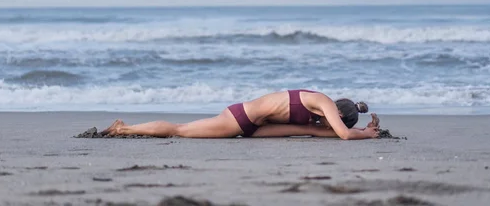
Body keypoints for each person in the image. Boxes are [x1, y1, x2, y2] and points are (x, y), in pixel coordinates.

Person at [101, 89, 381, 140]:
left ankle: (125, 128)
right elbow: (343, 134)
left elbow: (333, 133)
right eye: (330, 121)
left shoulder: (316, 118)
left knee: (183, 128)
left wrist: (367, 132)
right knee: (180, 129)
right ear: (339, 113)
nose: (325, 124)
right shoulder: (322, 101)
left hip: (252, 128)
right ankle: (123, 128)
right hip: (239, 119)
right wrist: (362, 135)